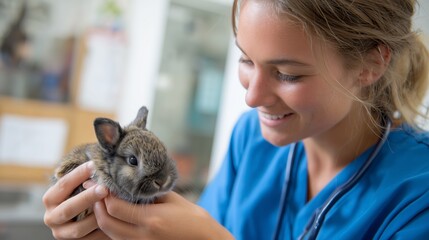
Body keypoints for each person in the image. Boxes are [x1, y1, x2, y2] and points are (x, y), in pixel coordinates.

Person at [43, 0, 429, 239]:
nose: (252, 97)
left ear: (371, 64)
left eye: (288, 74)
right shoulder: (252, 140)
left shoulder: (417, 193)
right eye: (246, 60)